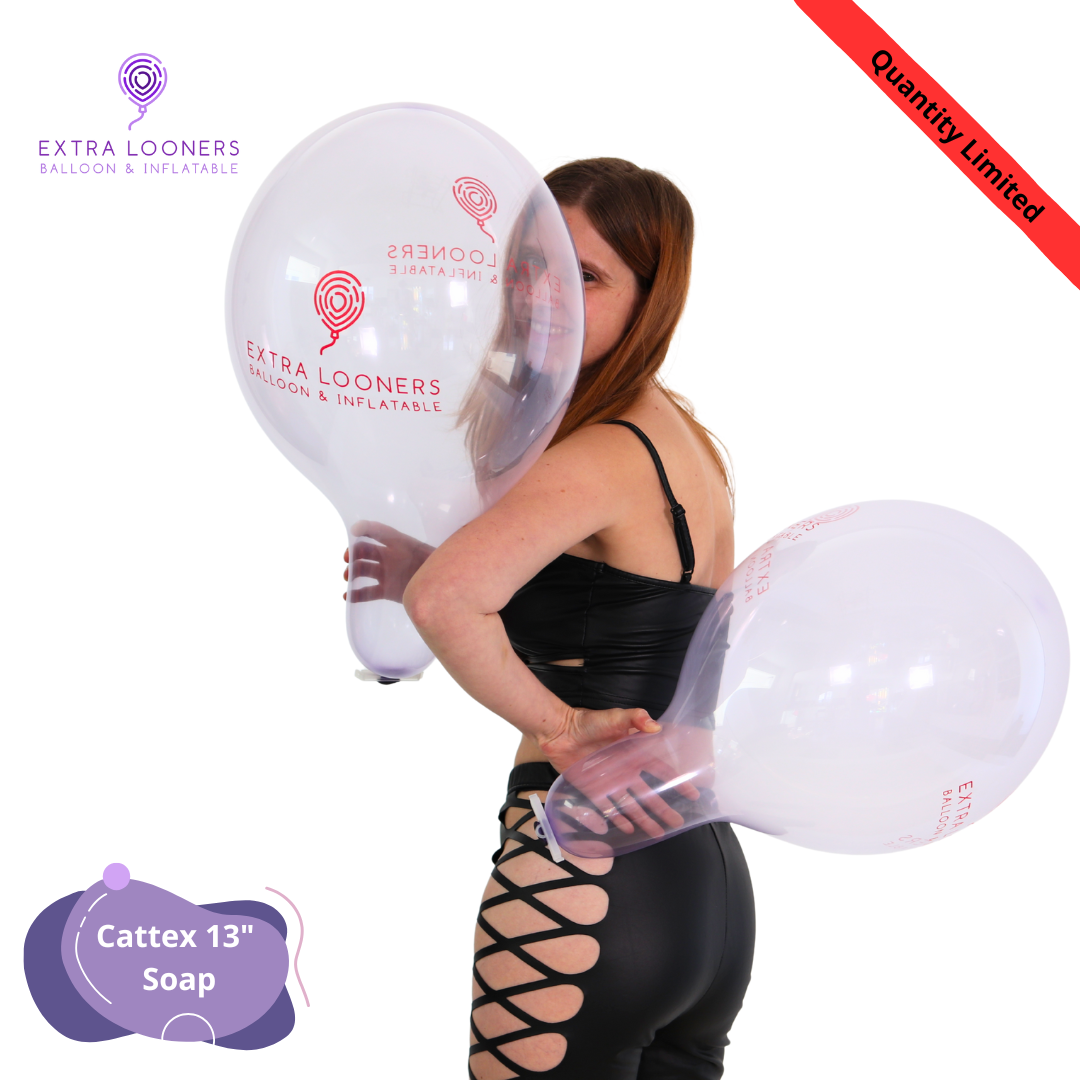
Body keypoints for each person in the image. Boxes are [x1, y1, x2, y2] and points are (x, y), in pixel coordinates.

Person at [376, 157, 754, 1078]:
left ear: (651, 299)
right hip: (701, 887)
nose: (544, 297)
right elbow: (639, 622)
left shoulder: (597, 452)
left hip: (580, 864)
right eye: (530, 266)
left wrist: (559, 725)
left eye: (587, 276)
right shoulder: (683, 443)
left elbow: (445, 601)